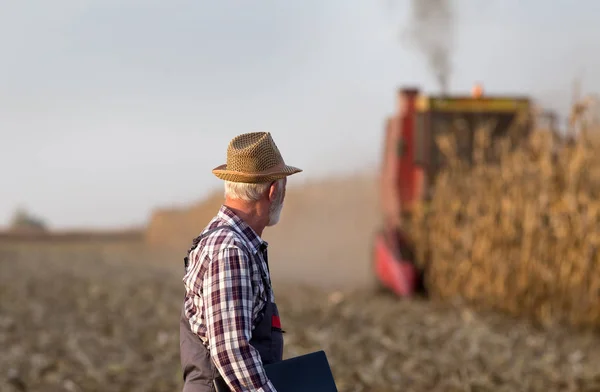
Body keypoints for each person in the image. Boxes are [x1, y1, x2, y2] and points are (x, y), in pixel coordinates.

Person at [179, 132, 302, 392]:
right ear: (273, 190)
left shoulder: (236, 243)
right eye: (284, 184)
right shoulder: (229, 249)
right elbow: (231, 351)